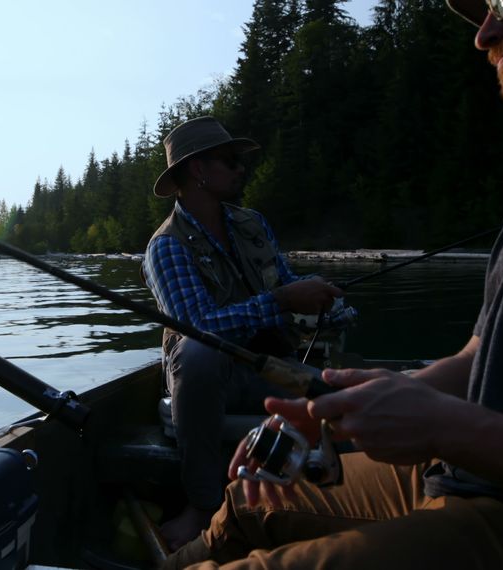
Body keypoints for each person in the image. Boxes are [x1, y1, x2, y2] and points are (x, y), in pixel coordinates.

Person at [165, 0, 503, 568]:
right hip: (474, 474)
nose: (485, 35)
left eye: (501, 3)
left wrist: (452, 429)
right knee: (245, 505)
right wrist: (365, 398)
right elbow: (484, 356)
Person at [141, 116, 347, 550]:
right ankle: (201, 505)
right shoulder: (167, 246)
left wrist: (324, 298)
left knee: (340, 397)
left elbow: (285, 280)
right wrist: (282, 301)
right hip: (205, 381)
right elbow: (196, 326)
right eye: (230, 161)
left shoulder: (253, 224)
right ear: (198, 170)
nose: (241, 169)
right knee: (199, 353)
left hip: (269, 368)